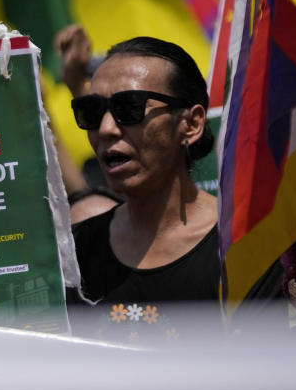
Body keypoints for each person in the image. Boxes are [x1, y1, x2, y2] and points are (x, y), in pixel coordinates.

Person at [67, 36, 221, 339]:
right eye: (92, 111)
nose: (107, 129)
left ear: (191, 124)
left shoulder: (241, 247)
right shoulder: (73, 256)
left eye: (130, 107)